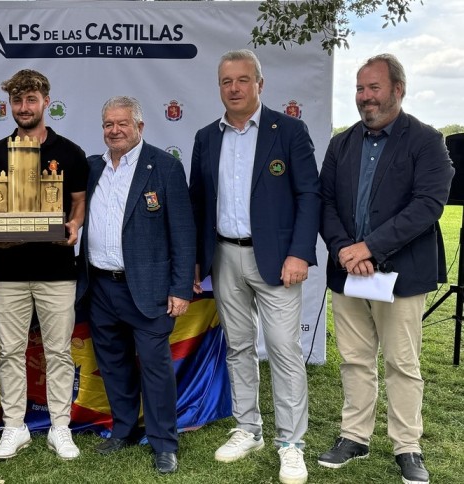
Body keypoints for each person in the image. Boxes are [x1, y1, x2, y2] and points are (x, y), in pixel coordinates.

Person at [318, 54, 454, 484]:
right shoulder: (342, 143)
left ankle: (407, 446)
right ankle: (354, 436)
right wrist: (344, 250)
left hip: (400, 274)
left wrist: (369, 248)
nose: (365, 97)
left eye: (373, 88)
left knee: (402, 362)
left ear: (398, 89)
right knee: (355, 360)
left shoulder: (427, 141)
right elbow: (325, 202)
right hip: (349, 273)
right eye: (360, 89)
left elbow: (428, 206)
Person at [188, 49, 320, 484]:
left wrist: (300, 253)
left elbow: (309, 197)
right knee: (238, 347)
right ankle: (248, 429)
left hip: (279, 260)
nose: (235, 88)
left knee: (283, 350)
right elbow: (197, 204)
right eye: (227, 81)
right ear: (220, 87)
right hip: (224, 256)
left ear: (260, 84)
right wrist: (195, 261)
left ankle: (291, 443)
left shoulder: (290, 130)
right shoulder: (206, 137)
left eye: (243, 79)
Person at [76, 96, 196, 474]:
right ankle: (124, 430)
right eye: (108, 124)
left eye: (122, 123)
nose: (115, 130)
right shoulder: (92, 168)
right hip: (99, 286)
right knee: (113, 364)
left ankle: (164, 443)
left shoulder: (164, 166)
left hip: (148, 288)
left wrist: (180, 289)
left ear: (140, 127)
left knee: (156, 368)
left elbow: (183, 231)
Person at [0, 69, 88, 460]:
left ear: (46, 101)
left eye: (31, 100)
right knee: (9, 352)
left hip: (58, 271)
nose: (23, 108)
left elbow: (77, 201)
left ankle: (60, 427)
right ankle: (14, 427)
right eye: (17, 101)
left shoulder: (70, 152)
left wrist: (74, 224)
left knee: (58, 351)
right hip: (8, 272)